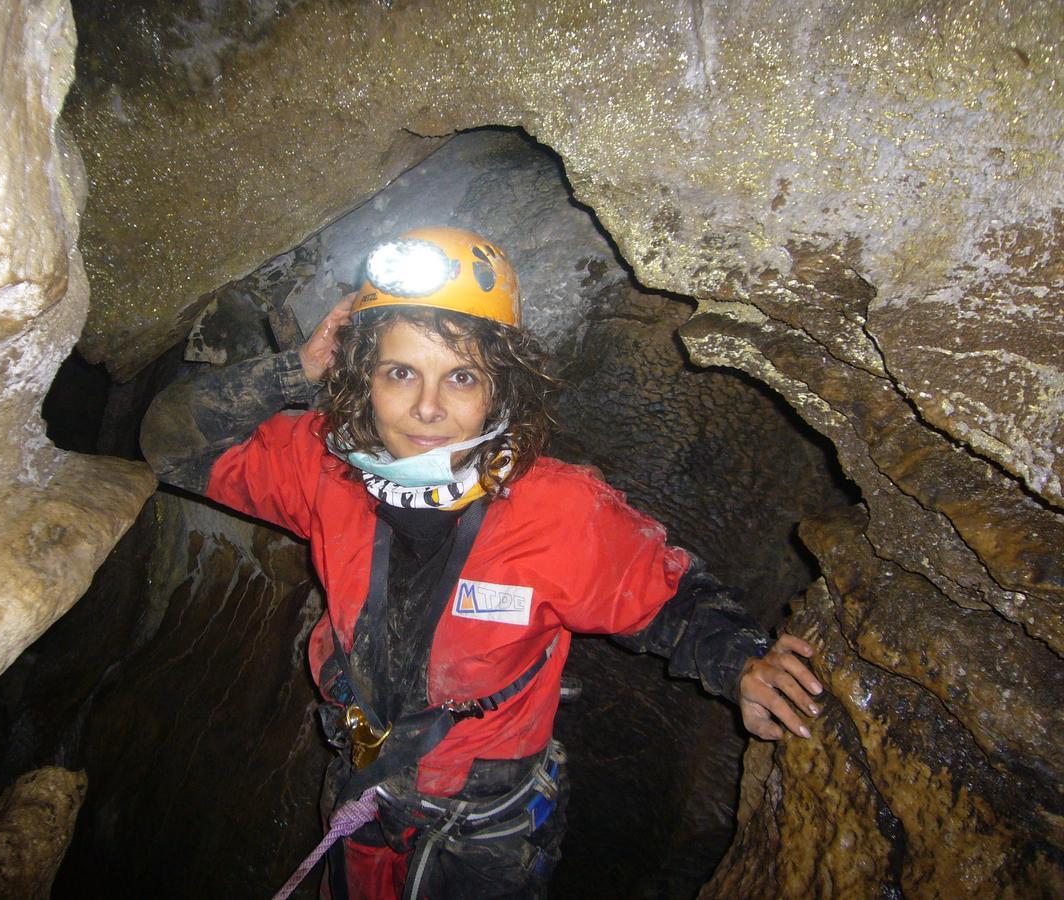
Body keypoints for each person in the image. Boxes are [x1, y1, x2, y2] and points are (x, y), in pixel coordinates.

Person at [140, 227, 822, 899]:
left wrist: (742, 662)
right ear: (363, 378)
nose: (428, 407)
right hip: (362, 792)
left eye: (460, 376)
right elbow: (171, 444)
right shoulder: (326, 468)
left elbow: (667, 597)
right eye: (400, 372)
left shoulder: (558, 510)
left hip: (481, 835)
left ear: (500, 386)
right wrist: (299, 368)